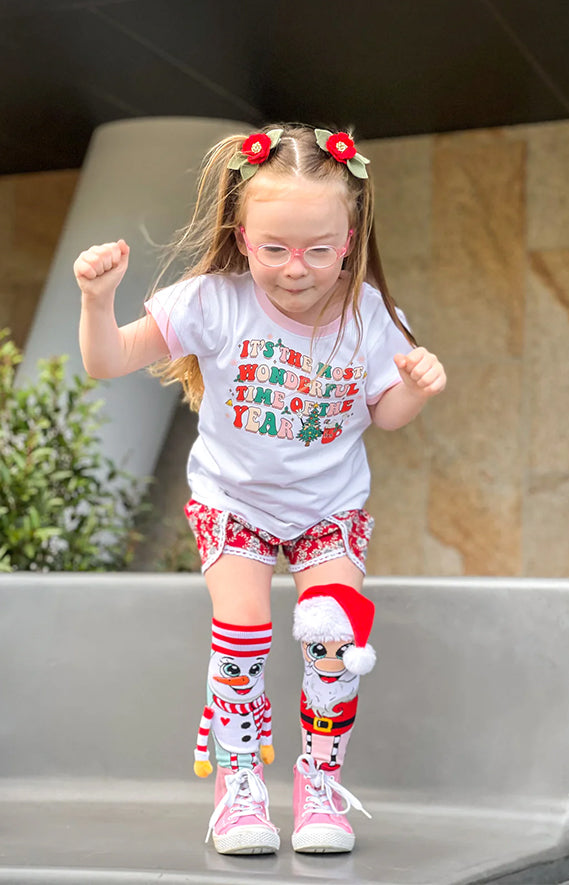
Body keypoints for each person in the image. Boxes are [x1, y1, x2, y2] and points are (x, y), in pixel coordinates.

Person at [74, 123, 446, 856]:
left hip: (328, 511)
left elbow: (387, 417)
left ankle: (319, 784)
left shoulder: (368, 313)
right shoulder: (214, 301)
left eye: (317, 249)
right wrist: (96, 301)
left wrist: (416, 389)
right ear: (243, 236)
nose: (296, 269)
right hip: (233, 504)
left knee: (335, 637)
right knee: (242, 631)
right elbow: (107, 361)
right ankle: (238, 784)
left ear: (349, 237)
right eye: (274, 248)